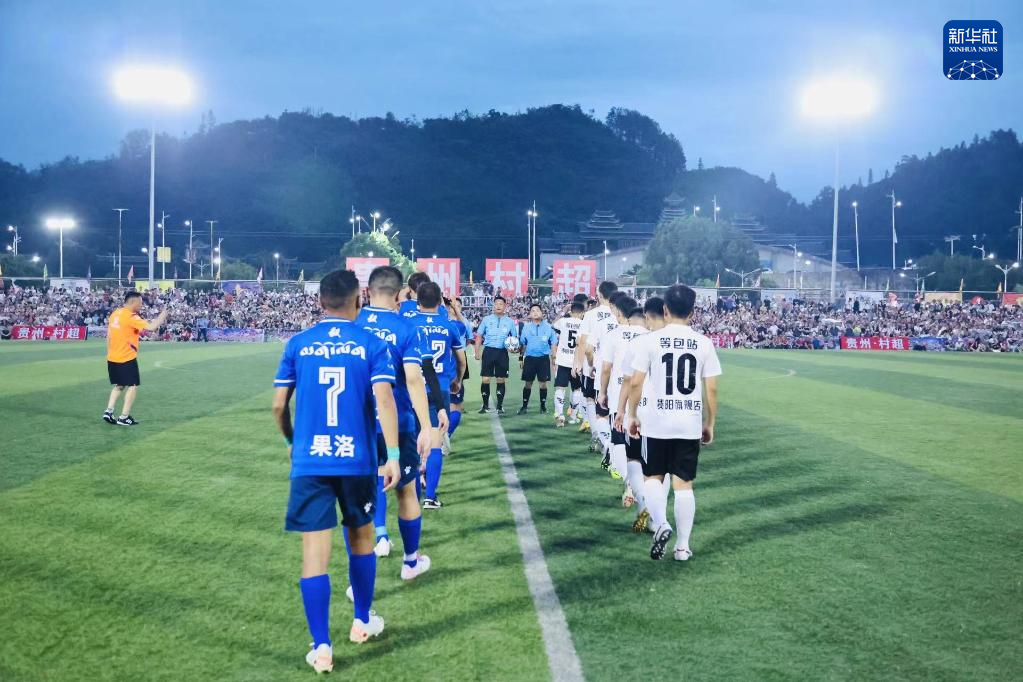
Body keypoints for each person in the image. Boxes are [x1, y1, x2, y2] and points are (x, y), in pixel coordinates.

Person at [271, 269, 401, 673]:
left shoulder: (298, 343)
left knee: (314, 553)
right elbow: (385, 400)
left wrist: (292, 443)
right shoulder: (371, 343)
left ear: (319, 301)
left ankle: (322, 646)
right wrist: (393, 454)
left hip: (311, 460)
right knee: (361, 537)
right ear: (358, 300)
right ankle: (361, 621)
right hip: (356, 459)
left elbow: (278, 405)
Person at [355, 265, 446, 571]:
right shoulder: (405, 328)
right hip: (398, 422)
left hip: (358, 424)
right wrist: (426, 426)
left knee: (366, 487)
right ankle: (410, 562)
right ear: (399, 295)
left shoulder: (353, 324)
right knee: (407, 490)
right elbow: (414, 379)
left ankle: (372, 552)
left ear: (367, 292)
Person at [627, 285, 721, 562]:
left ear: (665, 310)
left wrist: (632, 414)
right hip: (688, 423)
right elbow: (712, 388)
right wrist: (710, 423)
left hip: (656, 422)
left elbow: (635, 382)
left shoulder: (650, 341)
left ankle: (661, 523)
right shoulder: (703, 343)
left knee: (653, 477)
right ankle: (682, 547)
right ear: (692, 312)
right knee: (684, 484)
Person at [409, 282, 467, 509]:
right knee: (435, 443)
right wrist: (457, 381)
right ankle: (430, 497)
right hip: (439, 389)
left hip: (413, 388)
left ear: (418, 300)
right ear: (440, 300)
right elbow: (461, 360)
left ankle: (412, 496)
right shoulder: (449, 325)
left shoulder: (408, 323)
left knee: (412, 442)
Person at [598, 294, 646, 491]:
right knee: (641, 443)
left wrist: (602, 392)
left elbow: (606, 368)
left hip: (619, 393)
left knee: (618, 439)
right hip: (643, 397)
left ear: (618, 312)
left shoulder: (613, 335)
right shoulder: (650, 336)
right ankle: (640, 484)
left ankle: (628, 481)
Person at [102, 291, 168, 426]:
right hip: (126, 357)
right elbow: (151, 327)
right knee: (132, 385)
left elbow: (109, 335)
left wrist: (109, 352)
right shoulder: (131, 316)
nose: (141, 305)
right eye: (140, 302)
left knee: (119, 385)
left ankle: (109, 411)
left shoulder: (115, 314)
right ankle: (124, 417)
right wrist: (163, 315)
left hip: (112, 357)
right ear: (133, 302)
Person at [574, 282, 619, 456]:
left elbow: (583, 342)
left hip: (595, 365)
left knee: (592, 400)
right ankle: (613, 440)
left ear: (599, 295)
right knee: (614, 402)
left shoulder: (591, 315)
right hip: (618, 367)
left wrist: (580, 363)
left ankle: (598, 436)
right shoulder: (621, 313)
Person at [474, 295, 517, 414]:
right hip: (488, 351)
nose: (498, 306)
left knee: (500, 379)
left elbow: (514, 339)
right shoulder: (486, 319)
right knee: (485, 379)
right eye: (496, 304)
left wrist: (513, 348)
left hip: (502, 352)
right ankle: (485, 406)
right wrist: (477, 351)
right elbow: (479, 336)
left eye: (501, 304)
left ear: (505, 306)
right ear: (493, 306)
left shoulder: (510, 322)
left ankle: (499, 406)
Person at [517, 303, 558, 415]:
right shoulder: (526, 327)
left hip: (543, 359)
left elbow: (553, 343)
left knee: (543, 384)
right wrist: (521, 358)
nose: (535, 312)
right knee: (528, 383)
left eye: (537, 310)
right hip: (530, 359)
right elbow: (523, 344)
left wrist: (554, 358)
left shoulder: (548, 327)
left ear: (542, 313)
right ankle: (524, 406)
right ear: (530, 314)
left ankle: (543, 407)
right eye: (533, 311)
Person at [551, 301, 586, 427]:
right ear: (583, 313)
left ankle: (560, 415)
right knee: (577, 389)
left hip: (563, 361)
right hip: (577, 362)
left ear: (571, 312)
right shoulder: (584, 324)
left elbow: (553, 324)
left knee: (560, 388)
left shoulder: (563, 321)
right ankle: (573, 416)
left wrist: (563, 311)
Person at [445, 297, 471, 444]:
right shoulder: (455, 326)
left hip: (431, 372)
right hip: (452, 369)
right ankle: (445, 436)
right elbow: (464, 327)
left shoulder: (432, 323)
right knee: (455, 408)